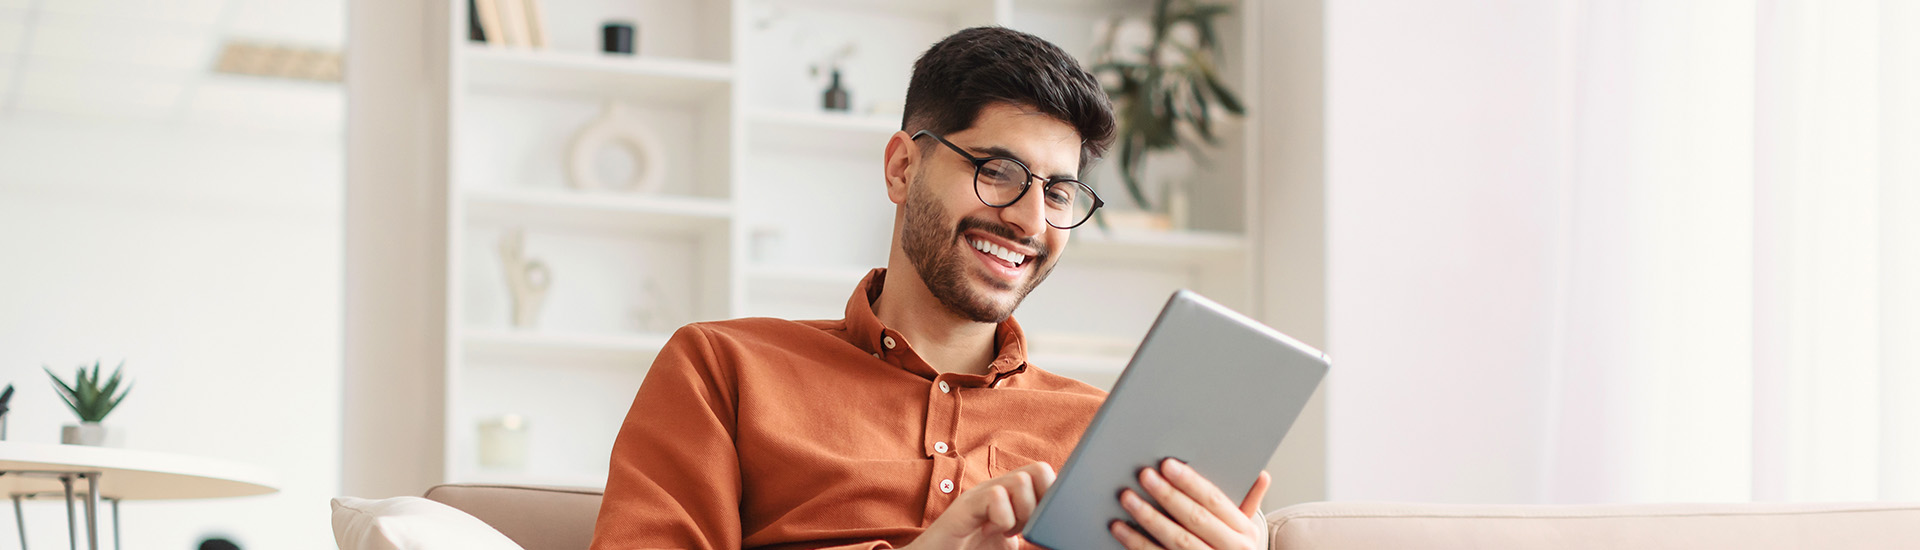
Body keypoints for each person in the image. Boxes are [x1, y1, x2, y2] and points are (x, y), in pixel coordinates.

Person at [590, 26, 1270, 550]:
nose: (1031, 221)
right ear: (902, 169)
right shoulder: (723, 368)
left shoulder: (1109, 441)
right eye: (997, 171)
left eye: (1059, 192)